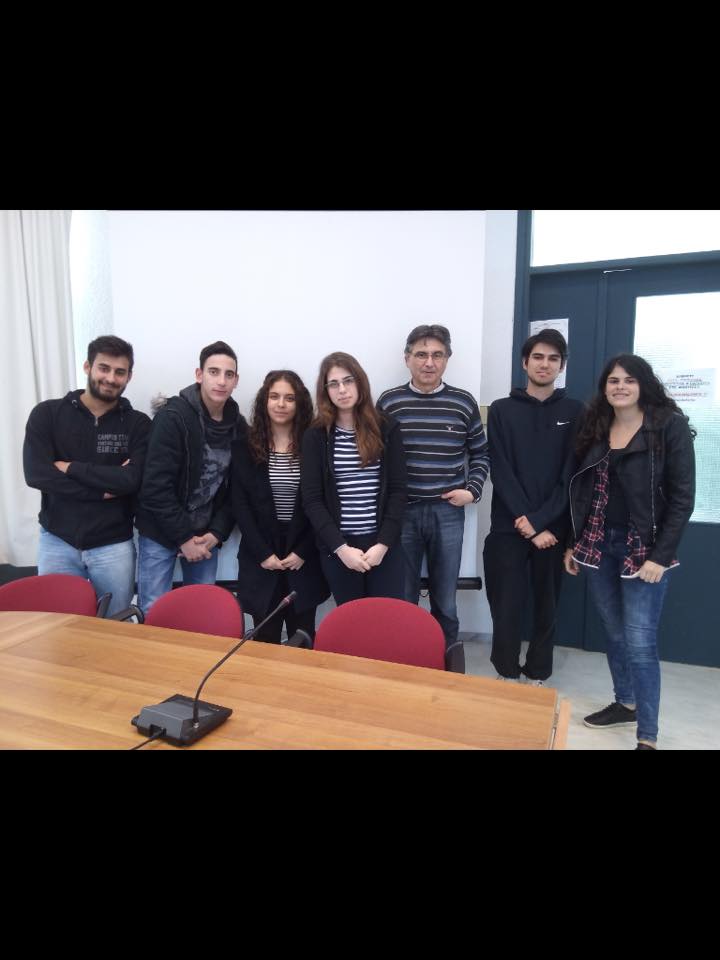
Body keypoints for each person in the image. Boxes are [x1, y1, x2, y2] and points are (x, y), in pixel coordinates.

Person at [564, 354, 696, 750]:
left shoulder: (667, 426)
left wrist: (660, 556)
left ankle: (648, 736)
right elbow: (583, 491)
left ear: (643, 385)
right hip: (597, 543)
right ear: (604, 388)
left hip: (643, 548)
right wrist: (573, 542)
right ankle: (625, 703)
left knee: (640, 642)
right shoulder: (597, 425)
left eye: (629, 380)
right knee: (614, 631)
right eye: (613, 381)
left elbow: (682, 498)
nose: (620, 387)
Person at [377, 324, 489, 669]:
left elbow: (481, 454)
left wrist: (472, 491)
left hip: (447, 513)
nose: (429, 362)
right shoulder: (389, 403)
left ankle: (447, 668)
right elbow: (377, 458)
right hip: (402, 514)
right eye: (421, 354)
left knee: (446, 600)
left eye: (437, 355)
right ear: (407, 358)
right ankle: (406, 664)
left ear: (447, 359)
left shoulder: (463, 402)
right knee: (403, 597)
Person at [23, 335, 151, 615]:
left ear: (129, 376)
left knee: (115, 623)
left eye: (120, 372)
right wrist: (102, 490)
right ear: (87, 367)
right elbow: (37, 474)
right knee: (57, 623)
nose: (111, 378)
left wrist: (70, 468)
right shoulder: (47, 414)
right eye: (104, 368)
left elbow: (132, 480)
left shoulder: (138, 424)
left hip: (113, 544)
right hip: (57, 540)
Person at [484, 330, 584, 684]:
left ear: (562, 366)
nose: (545, 364)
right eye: (538, 357)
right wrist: (527, 522)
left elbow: (571, 474)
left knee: (547, 605)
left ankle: (539, 671)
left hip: (552, 529)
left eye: (553, 359)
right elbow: (501, 470)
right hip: (507, 526)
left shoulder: (576, 412)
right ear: (525, 362)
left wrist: (541, 523)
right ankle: (506, 670)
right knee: (505, 604)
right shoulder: (501, 409)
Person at [135, 341, 247, 616]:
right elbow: (155, 487)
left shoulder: (238, 426)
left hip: (205, 535)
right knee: (153, 610)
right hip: (160, 532)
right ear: (199, 375)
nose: (221, 381)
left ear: (236, 381)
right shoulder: (172, 417)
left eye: (228, 374)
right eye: (213, 372)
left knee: (200, 612)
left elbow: (237, 489)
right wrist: (184, 537)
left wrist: (216, 533)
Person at [301, 352, 407, 605]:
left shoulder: (387, 428)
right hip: (340, 549)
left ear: (360, 382)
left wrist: (383, 545)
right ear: (325, 391)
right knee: (351, 621)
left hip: (383, 546)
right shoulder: (316, 436)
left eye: (348, 381)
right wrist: (341, 549)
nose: (342, 390)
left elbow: (398, 490)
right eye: (333, 384)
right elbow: (312, 500)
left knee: (386, 618)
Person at [232, 370, 329, 642]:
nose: (281, 404)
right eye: (274, 396)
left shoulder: (315, 444)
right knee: (265, 641)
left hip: (303, 555)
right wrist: (263, 553)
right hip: (261, 555)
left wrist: (303, 551)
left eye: (289, 398)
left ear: (300, 404)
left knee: (302, 638)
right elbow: (240, 506)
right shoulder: (244, 447)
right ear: (265, 401)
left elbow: (323, 503)